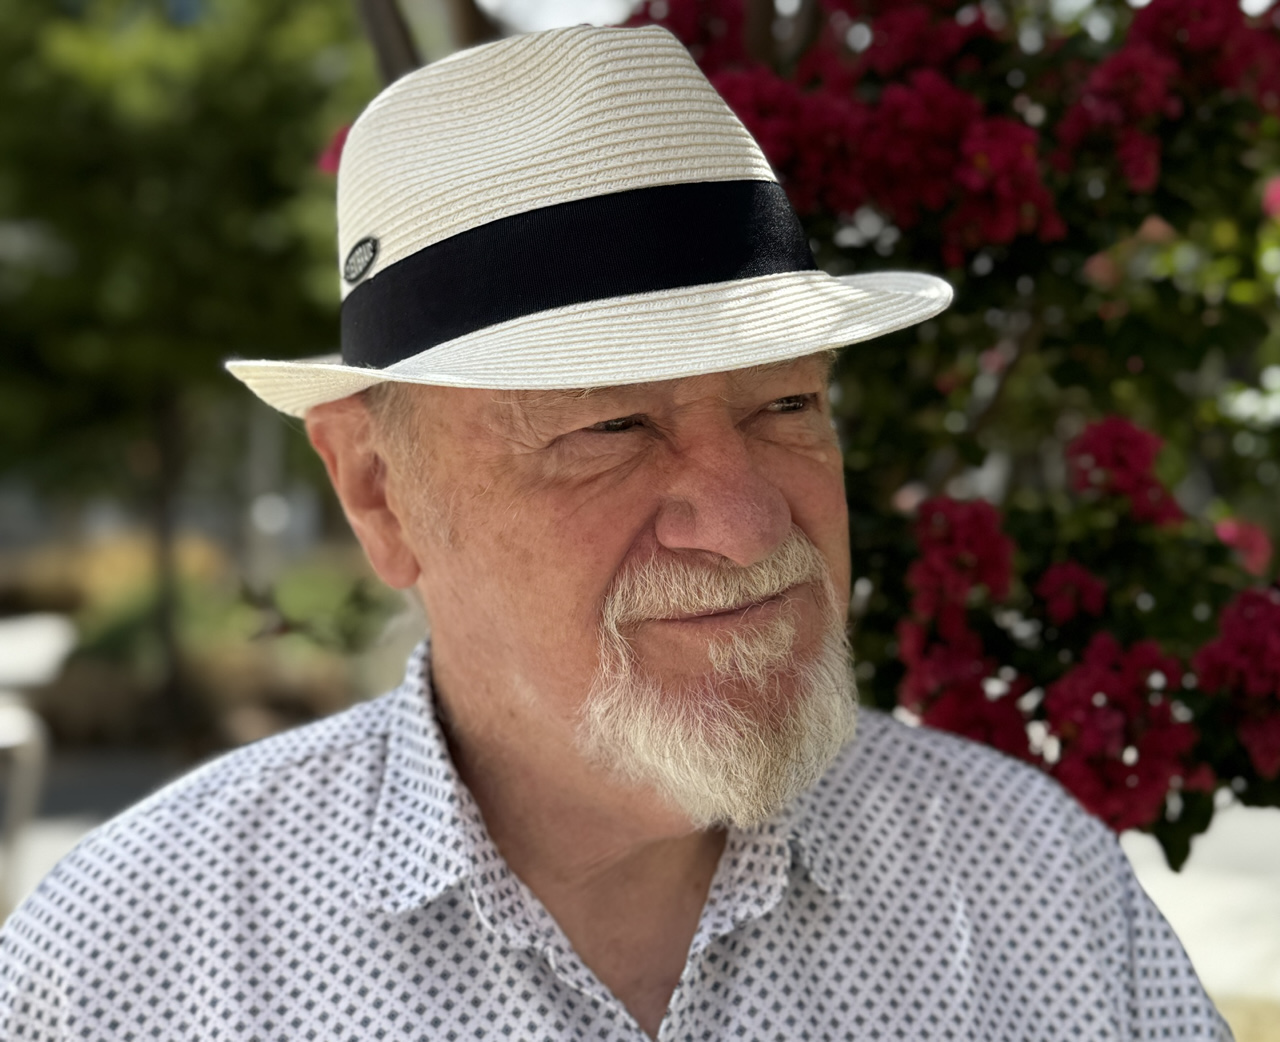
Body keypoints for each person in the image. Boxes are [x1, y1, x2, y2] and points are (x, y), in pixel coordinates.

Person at [0, 24, 1230, 1041]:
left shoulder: (1034, 893)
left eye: (787, 403)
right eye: (612, 428)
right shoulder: (132, 965)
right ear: (378, 492)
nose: (748, 522)